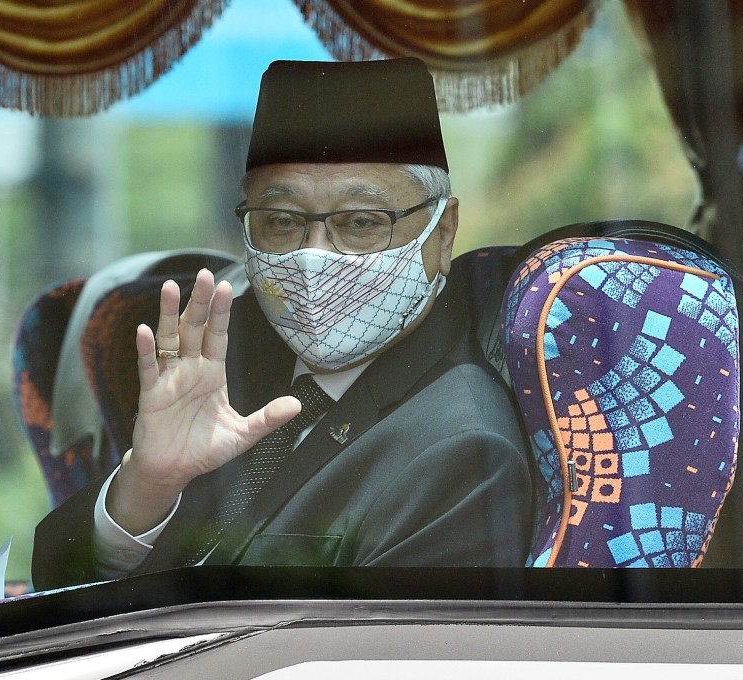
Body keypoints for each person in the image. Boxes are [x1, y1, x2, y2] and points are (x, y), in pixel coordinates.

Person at [32, 58, 532, 590]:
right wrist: (147, 485)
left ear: (443, 232)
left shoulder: (463, 450)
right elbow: (53, 583)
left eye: (361, 222)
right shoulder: (225, 359)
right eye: (282, 222)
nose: (313, 257)